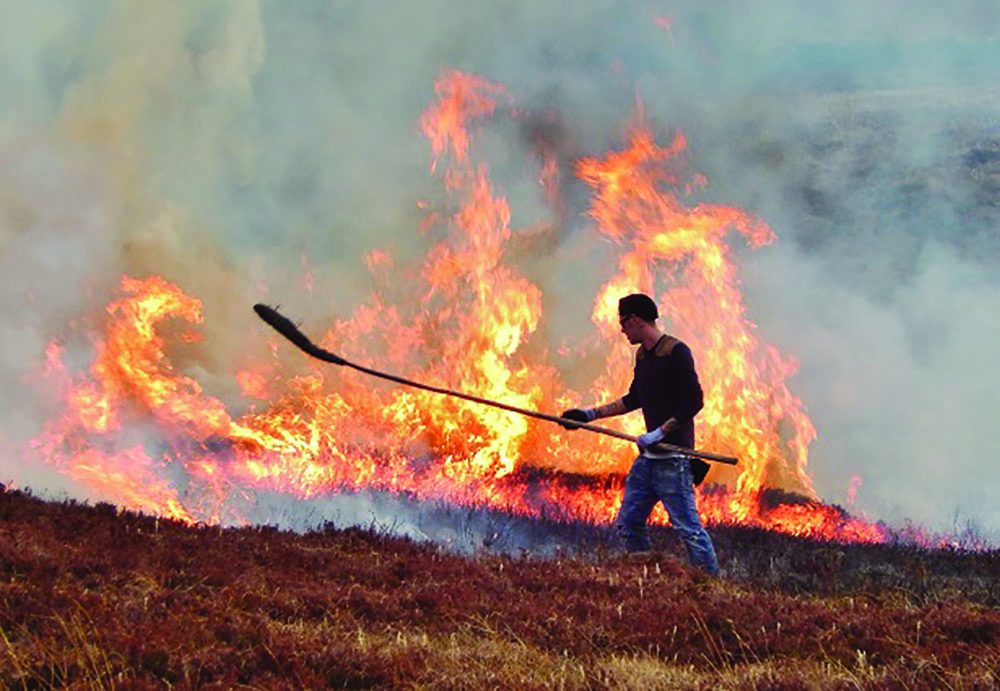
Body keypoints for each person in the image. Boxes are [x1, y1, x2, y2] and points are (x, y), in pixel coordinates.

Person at [560, 293, 719, 575]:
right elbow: (634, 398)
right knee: (629, 523)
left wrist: (659, 432)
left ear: (634, 320)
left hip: (674, 458)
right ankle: (650, 574)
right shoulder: (644, 355)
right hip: (649, 459)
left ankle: (710, 585)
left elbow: (694, 400)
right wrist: (589, 415)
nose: (622, 329)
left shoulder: (676, 351)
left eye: (623, 323)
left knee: (689, 529)